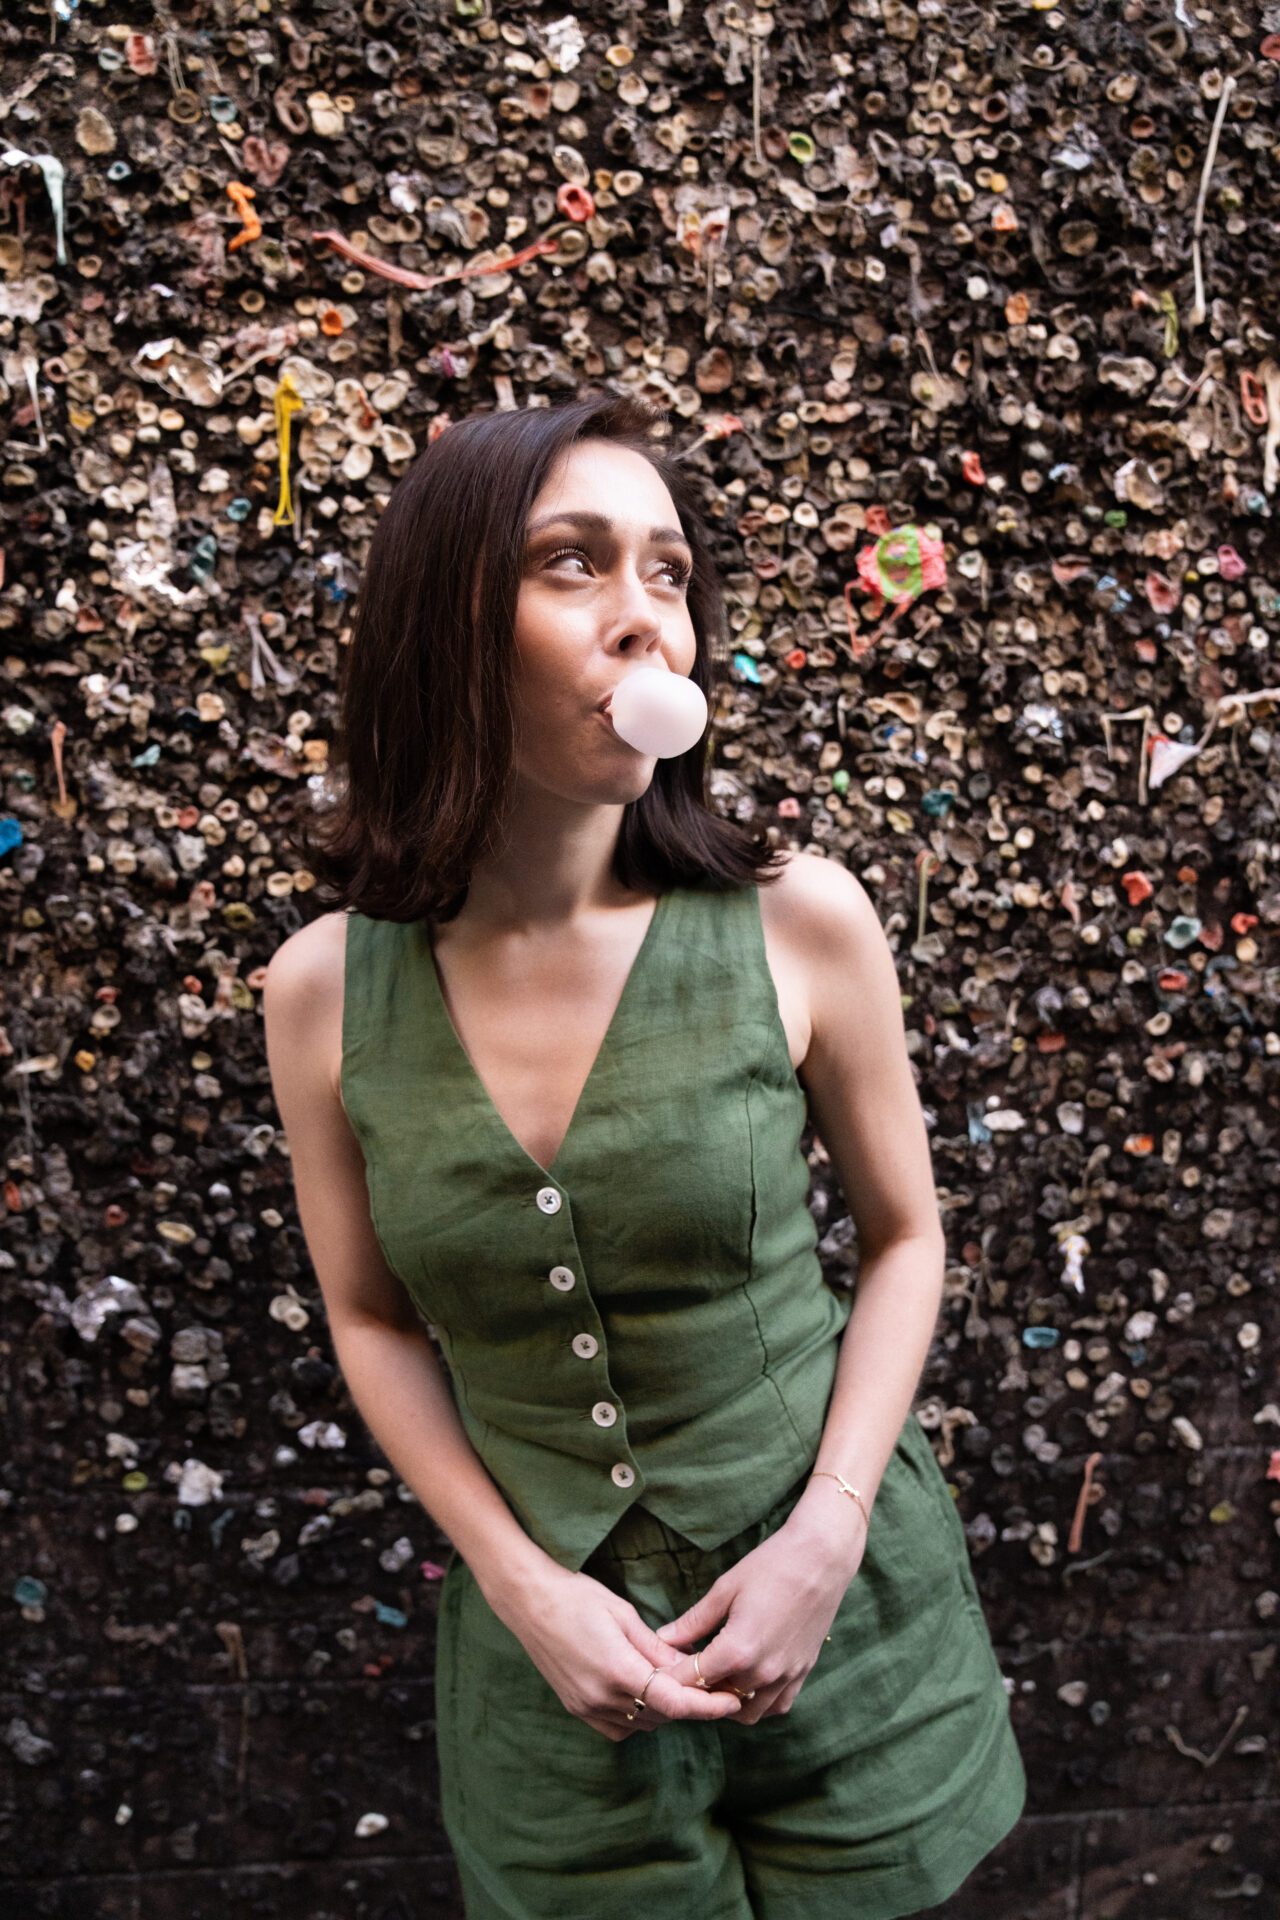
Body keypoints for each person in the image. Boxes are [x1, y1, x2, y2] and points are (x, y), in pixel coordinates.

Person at [263, 392, 1027, 1919]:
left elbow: (905, 1238)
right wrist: (519, 1583)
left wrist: (829, 1532)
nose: (647, 620)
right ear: (448, 623)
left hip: (848, 1623)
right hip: (553, 1682)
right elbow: (367, 1316)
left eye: (669, 573)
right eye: (575, 562)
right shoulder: (322, 990)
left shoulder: (802, 921)